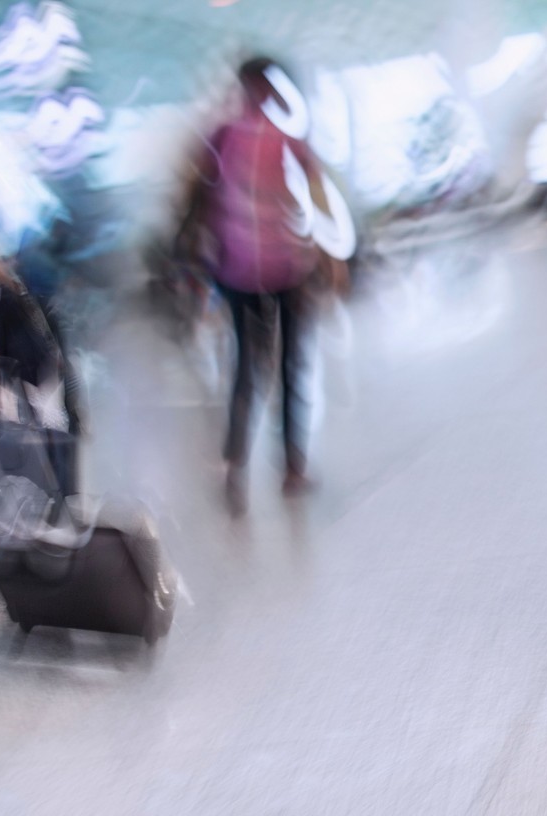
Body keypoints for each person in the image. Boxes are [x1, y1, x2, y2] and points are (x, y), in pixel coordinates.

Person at [180, 57, 344, 514]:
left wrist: (199, 256)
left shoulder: (221, 136)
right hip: (284, 269)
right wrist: (328, 255)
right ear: (268, 89)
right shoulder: (286, 138)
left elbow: (198, 196)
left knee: (245, 370)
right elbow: (315, 193)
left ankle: (235, 466)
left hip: (235, 271)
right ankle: (291, 467)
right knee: (291, 365)